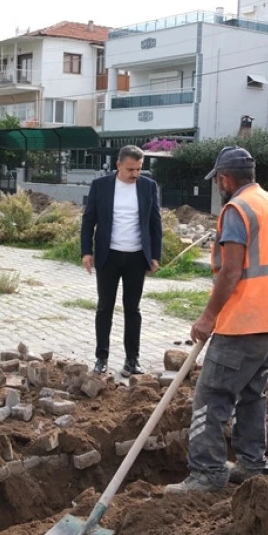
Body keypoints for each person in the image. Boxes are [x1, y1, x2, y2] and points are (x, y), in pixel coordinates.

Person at [165, 146, 268, 495]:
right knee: (252, 394)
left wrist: (208, 316)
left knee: (211, 396)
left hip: (243, 321)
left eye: (218, 181)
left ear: (225, 179)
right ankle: (252, 463)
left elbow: (231, 270)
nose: (218, 186)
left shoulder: (237, 209)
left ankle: (207, 473)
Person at [81, 145, 163, 377]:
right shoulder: (101, 186)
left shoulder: (148, 186)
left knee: (132, 309)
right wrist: (86, 252)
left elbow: (155, 223)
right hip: (108, 256)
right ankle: (101, 358)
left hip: (137, 257)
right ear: (118, 165)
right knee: (104, 307)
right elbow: (88, 220)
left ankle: (132, 360)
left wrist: (155, 255)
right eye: (130, 169)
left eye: (139, 169)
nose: (135, 174)